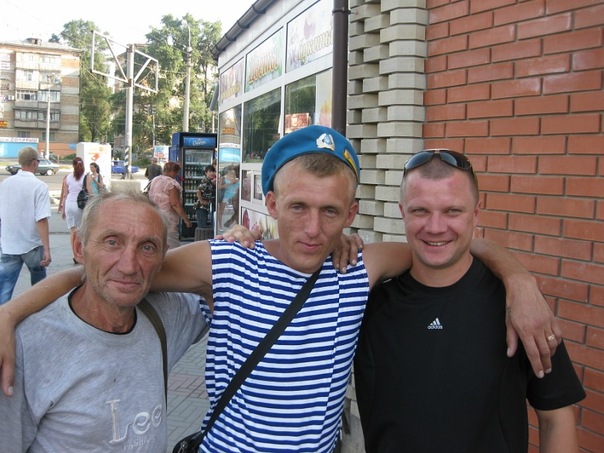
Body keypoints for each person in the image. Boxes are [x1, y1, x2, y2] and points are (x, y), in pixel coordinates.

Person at [0, 126, 560, 452]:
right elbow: (117, 272)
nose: (313, 229)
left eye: (330, 212)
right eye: (297, 207)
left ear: (351, 214)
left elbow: (443, 244)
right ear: (269, 203)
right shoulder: (226, 261)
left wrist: (518, 277)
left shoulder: (360, 267)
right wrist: (9, 314)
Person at [354, 149, 586, 452]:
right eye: (420, 211)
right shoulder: (364, 305)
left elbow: (555, 416)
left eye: (452, 211)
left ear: (476, 213)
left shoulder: (518, 305)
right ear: (402, 212)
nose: (435, 227)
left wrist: (518, 277)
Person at [0, 191, 209, 452]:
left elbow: (220, 284)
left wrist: (237, 240)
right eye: (112, 242)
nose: (129, 266)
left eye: (147, 247)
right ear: (79, 246)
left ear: (162, 259)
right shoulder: (24, 347)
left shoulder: (166, 314)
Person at [0, 147, 51, 304]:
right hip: (32, 246)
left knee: (4, 290)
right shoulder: (39, 186)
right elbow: (41, 219)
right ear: (35, 162)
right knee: (39, 289)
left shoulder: (5, 184)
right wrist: (47, 249)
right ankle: (38, 314)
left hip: (9, 244)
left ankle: (3, 315)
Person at [148, 161, 192, 249]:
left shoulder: (155, 180)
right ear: (172, 171)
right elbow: (175, 203)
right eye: (177, 172)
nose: (177, 174)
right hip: (168, 218)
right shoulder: (171, 183)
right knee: (172, 247)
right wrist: (186, 219)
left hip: (154, 215)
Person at [58, 156, 86, 262]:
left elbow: (65, 194)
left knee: (73, 231)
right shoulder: (85, 177)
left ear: (73, 165)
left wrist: (63, 209)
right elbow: (89, 192)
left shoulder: (67, 177)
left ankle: (75, 255)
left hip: (69, 205)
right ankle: (82, 253)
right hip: (81, 205)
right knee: (83, 230)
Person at [216, 165, 239, 231]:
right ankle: (219, 226)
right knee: (221, 211)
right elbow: (219, 187)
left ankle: (235, 225)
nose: (232, 175)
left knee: (236, 211)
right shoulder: (223, 178)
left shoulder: (237, 179)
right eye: (231, 173)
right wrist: (229, 184)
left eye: (234, 173)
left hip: (234, 196)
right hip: (225, 196)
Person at [195, 164, 217, 229]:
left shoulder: (210, 181)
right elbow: (198, 191)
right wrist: (202, 201)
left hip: (207, 206)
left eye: (213, 171)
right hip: (201, 207)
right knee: (202, 226)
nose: (212, 173)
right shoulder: (205, 181)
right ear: (206, 173)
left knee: (205, 225)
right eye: (210, 172)